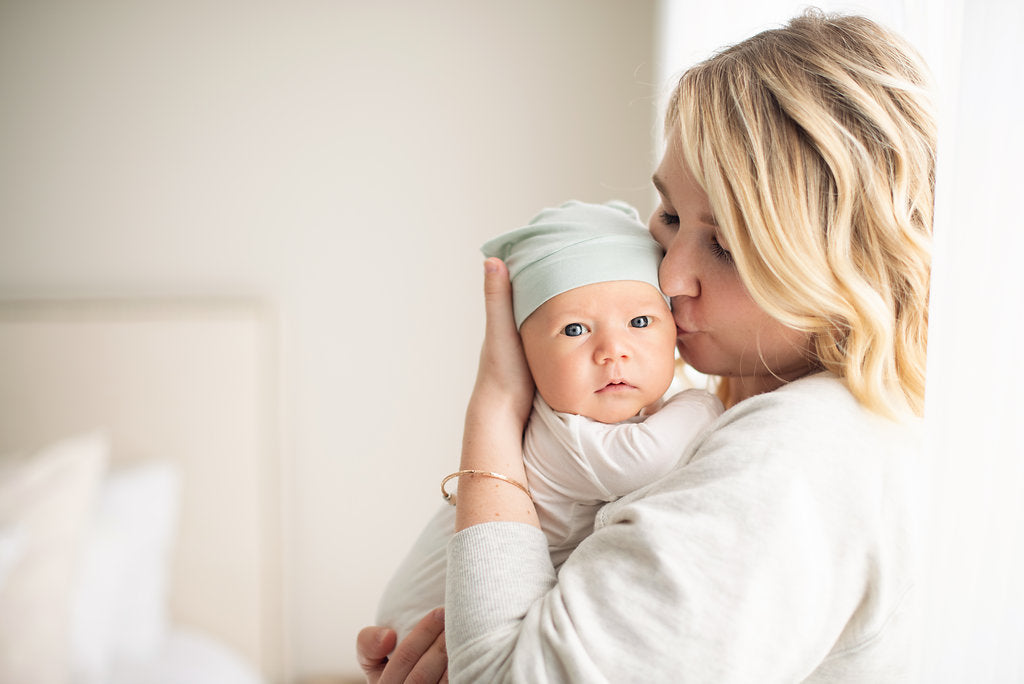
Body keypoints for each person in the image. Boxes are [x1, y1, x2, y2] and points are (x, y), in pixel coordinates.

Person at [358, 10, 935, 682]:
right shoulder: (784, 425)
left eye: (725, 246)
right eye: (668, 216)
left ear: (848, 266)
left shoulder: (793, 458)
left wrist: (495, 404)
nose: (668, 276)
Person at [375, 200, 723, 641]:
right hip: (426, 621)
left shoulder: (627, 409)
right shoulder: (568, 433)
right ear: (523, 352)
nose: (613, 350)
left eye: (639, 321)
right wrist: (704, 402)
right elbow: (649, 458)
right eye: (575, 330)